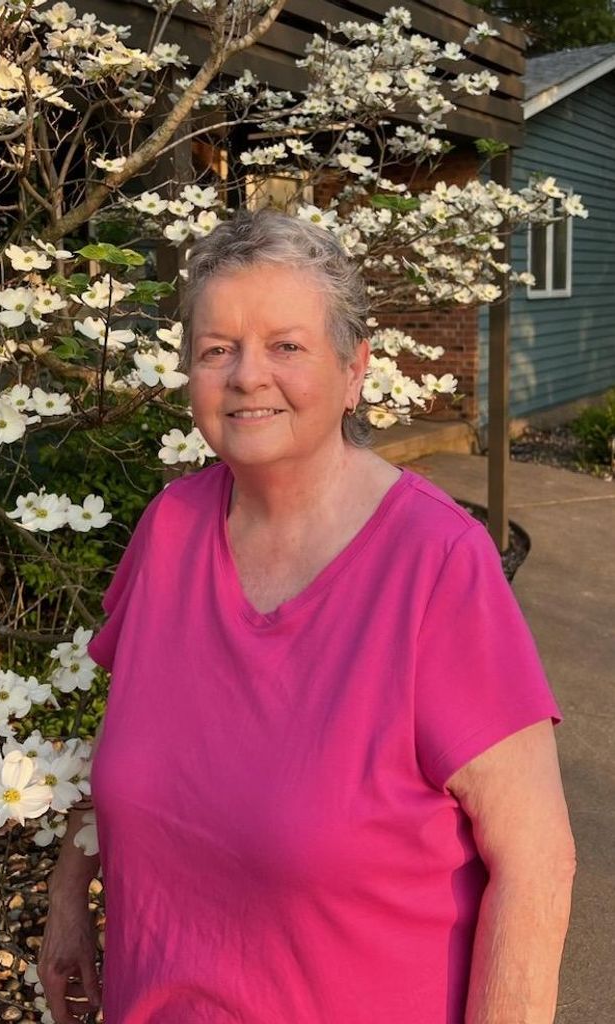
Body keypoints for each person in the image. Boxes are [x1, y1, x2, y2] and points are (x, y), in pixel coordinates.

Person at [39, 209, 576, 1023]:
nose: (246, 376)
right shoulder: (170, 527)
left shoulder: (434, 563)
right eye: (216, 350)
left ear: (354, 369)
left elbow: (535, 863)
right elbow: (121, 737)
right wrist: (68, 897)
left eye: (285, 346)